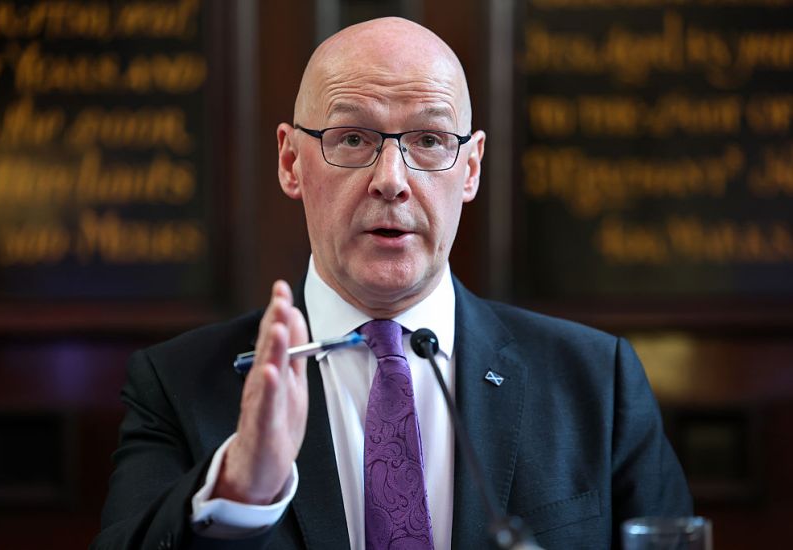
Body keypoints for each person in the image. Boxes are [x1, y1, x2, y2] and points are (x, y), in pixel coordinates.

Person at [93, 17, 691, 550]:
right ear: (290, 161)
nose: (391, 180)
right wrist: (241, 491)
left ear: (471, 168)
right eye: (353, 139)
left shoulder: (597, 382)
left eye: (429, 141)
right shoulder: (177, 384)